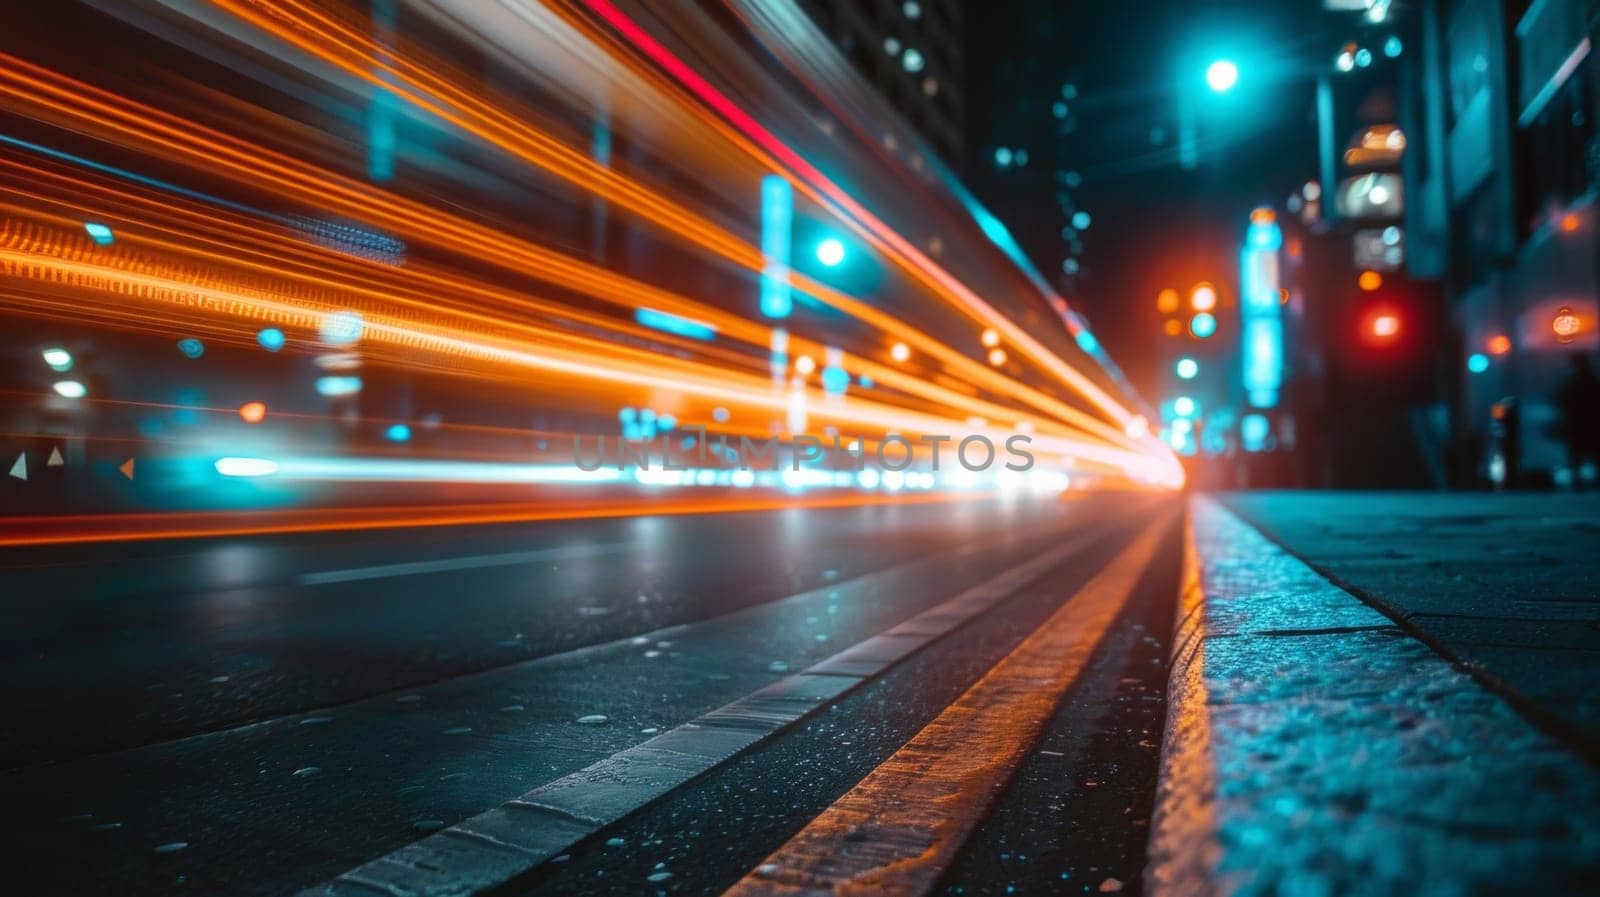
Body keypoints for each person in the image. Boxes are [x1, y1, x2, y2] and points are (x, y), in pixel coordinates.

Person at [1555, 354, 1600, 486]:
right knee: (1593, 452)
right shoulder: (1593, 381)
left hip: (1578, 424)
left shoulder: (1573, 383)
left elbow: (1560, 400)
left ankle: (1578, 481)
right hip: (1591, 423)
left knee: (1576, 453)